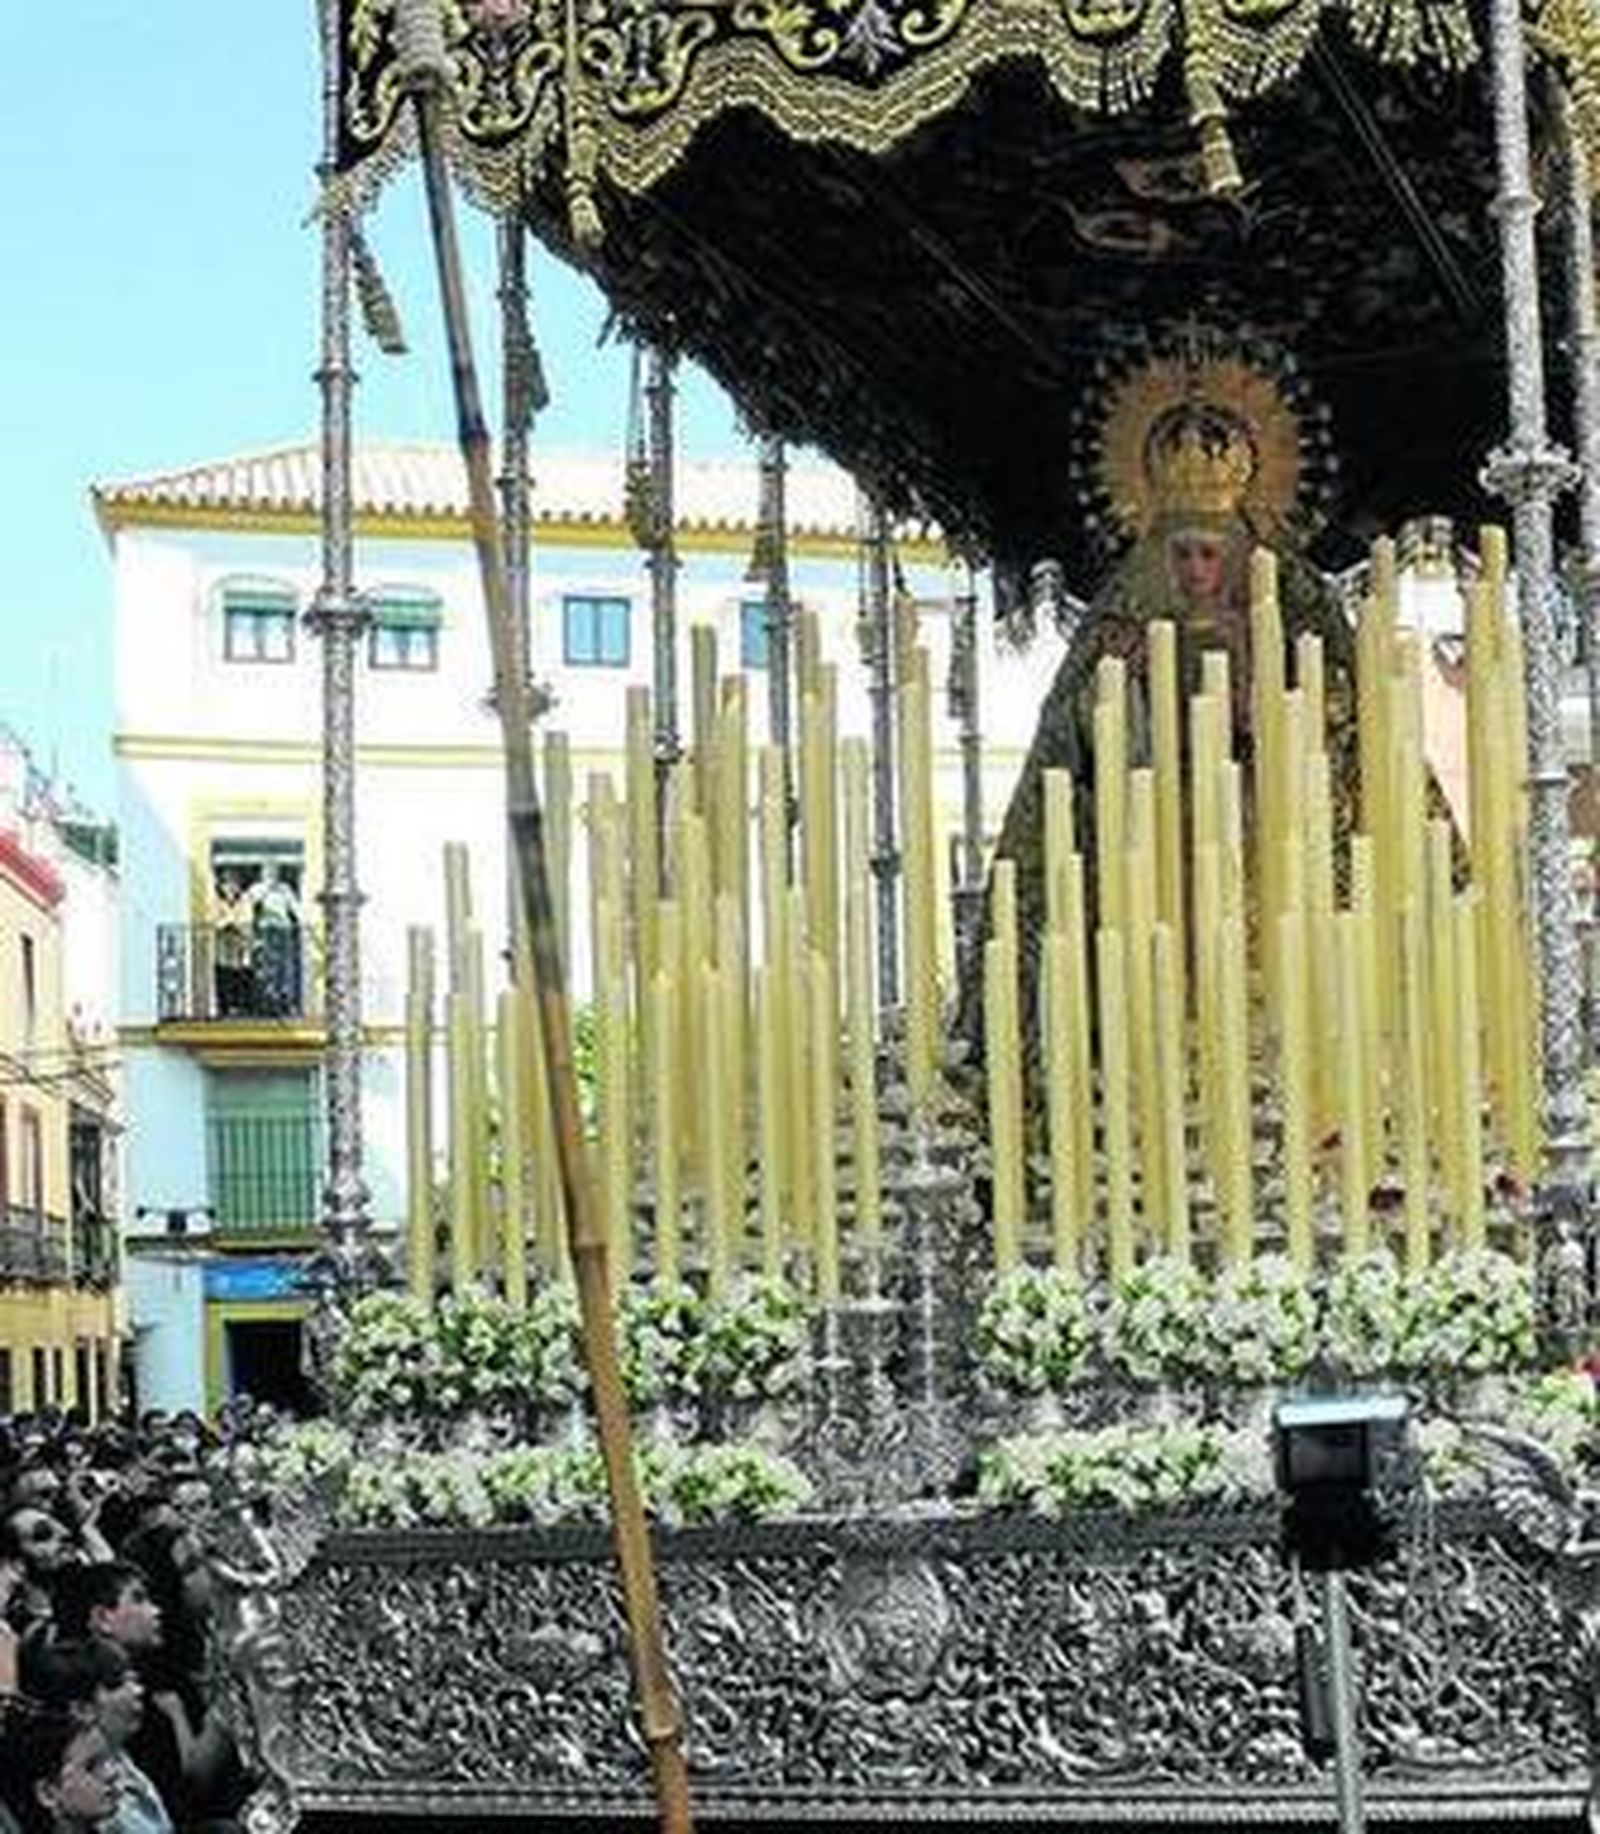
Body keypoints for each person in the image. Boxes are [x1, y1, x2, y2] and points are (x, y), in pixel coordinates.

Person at [249, 867, 301, 1017]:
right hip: (265, 929)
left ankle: (284, 1000)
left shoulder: (285, 889)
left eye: (274, 871)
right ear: (262, 874)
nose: (271, 874)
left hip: (283, 929)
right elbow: (252, 905)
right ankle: (266, 1000)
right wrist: (266, 890)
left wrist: (302, 922)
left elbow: (295, 908)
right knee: (266, 965)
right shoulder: (257, 888)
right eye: (268, 872)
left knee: (284, 965)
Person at [211, 873, 256, 1018]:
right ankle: (224, 1008)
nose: (231, 888)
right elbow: (214, 922)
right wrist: (227, 922)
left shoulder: (245, 901)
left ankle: (242, 1008)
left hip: (240, 947)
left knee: (241, 977)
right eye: (227, 885)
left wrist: (232, 922)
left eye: (234, 885)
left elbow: (247, 921)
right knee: (224, 977)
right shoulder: (217, 902)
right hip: (223, 948)